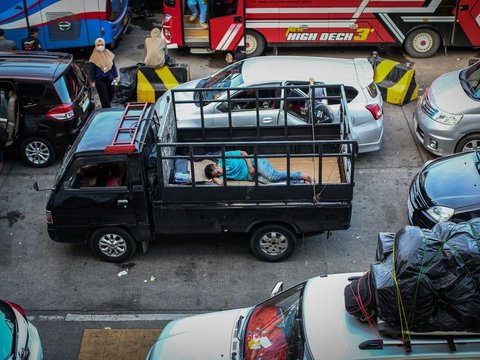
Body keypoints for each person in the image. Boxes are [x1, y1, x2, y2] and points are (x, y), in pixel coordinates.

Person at [204, 150, 312, 184]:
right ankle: (300, 182)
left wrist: (250, 167)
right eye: (217, 175)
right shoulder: (222, 176)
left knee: (272, 176)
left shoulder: (224, 157)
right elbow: (220, 182)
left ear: (215, 165)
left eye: (217, 172)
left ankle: (300, 175)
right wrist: (213, 178)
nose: (219, 174)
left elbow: (243, 152)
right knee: (273, 184)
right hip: (254, 177)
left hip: (254, 162)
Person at [88, 38, 119, 108]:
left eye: (102, 45)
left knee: (111, 93)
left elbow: (113, 66)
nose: (100, 46)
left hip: (110, 78)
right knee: (104, 96)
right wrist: (92, 81)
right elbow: (92, 70)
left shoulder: (109, 54)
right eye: (98, 45)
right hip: (100, 80)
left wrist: (116, 76)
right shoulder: (93, 57)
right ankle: (106, 109)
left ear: (104, 45)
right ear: (95, 46)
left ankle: (106, 105)